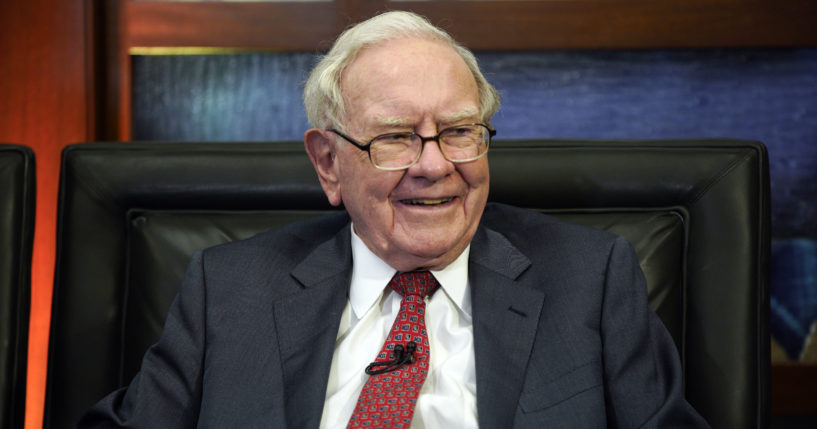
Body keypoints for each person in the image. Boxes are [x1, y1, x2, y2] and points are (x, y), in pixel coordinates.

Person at [77, 10, 710, 429]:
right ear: (328, 163)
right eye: (396, 138)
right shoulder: (231, 289)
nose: (434, 166)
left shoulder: (591, 279)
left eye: (459, 132)